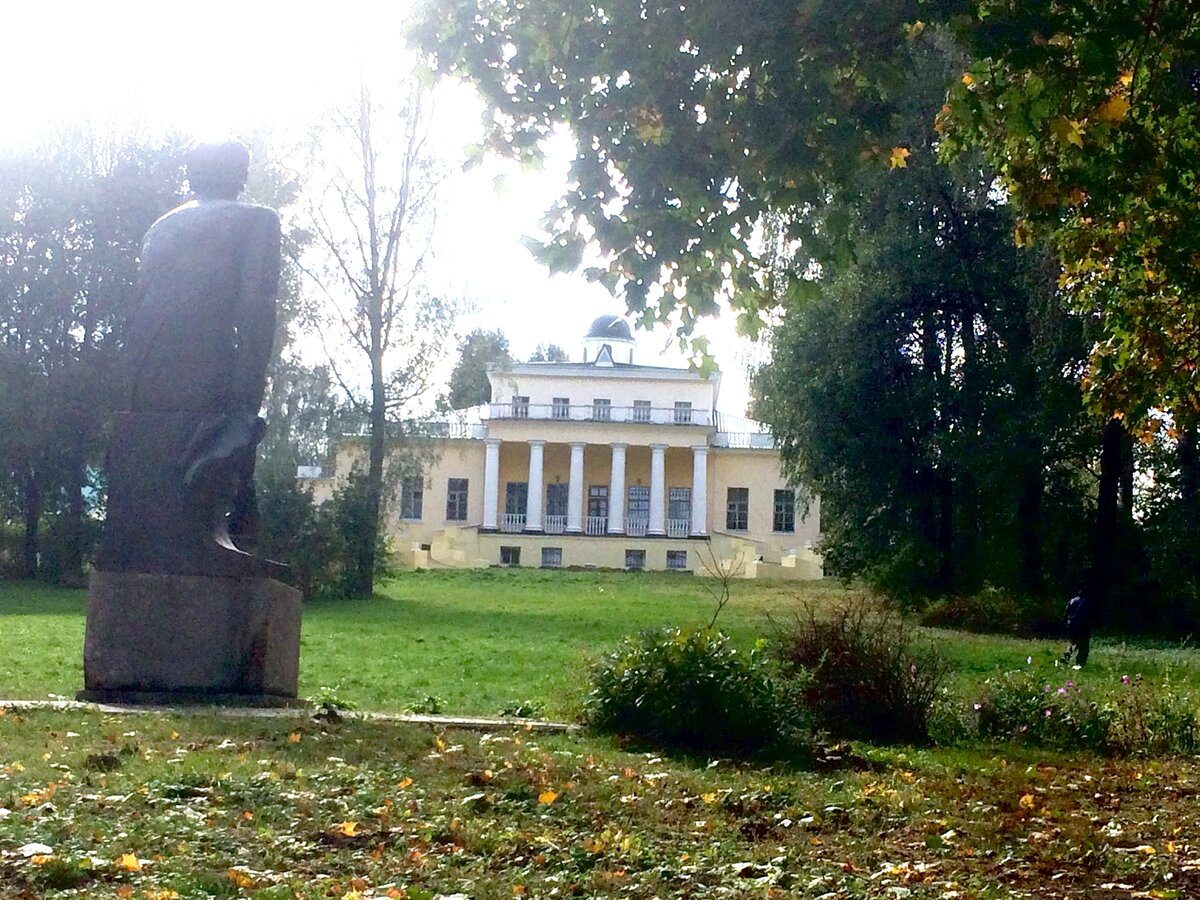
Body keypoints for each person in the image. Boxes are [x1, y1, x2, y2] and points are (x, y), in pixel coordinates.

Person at [97, 141, 282, 577]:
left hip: (142, 382)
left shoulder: (161, 227)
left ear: (192, 175)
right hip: (203, 373)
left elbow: (142, 309)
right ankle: (230, 521)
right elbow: (256, 309)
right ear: (240, 176)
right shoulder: (257, 221)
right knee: (230, 445)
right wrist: (245, 407)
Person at [1062, 591, 1095, 666]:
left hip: (1071, 624)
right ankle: (1080, 662)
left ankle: (1065, 657)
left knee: (1073, 642)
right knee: (1083, 644)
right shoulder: (1087, 602)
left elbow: (1066, 613)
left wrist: (1066, 623)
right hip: (1082, 625)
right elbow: (1088, 616)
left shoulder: (1072, 601)